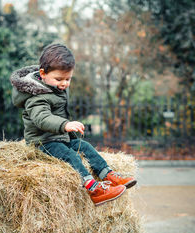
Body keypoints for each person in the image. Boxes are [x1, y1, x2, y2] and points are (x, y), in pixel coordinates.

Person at [10, 43, 137, 206]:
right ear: (42, 74)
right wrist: (65, 125)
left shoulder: (54, 88)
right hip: (43, 142)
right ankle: (94, 190)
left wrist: (66, 131)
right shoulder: (36, 96)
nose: (64, 83)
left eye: (68, 79)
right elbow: (42, 118)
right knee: (71, 156)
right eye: (59, 79)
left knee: (84, 147)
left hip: (60, 138)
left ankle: (108, 175)